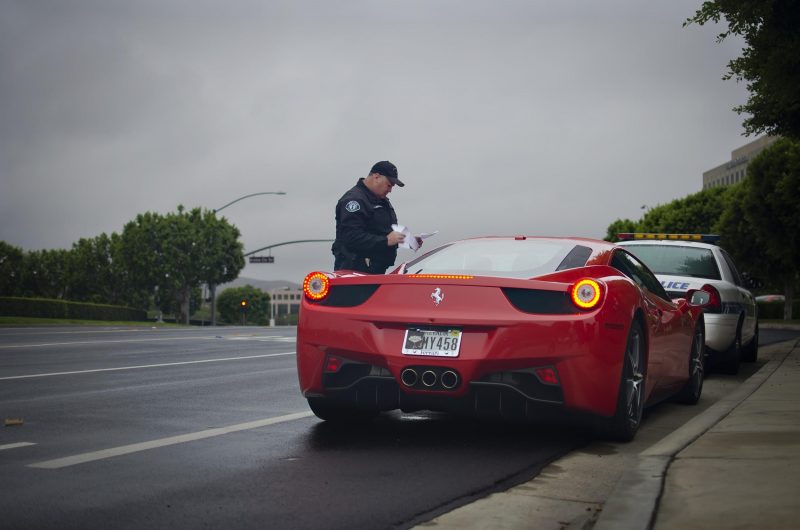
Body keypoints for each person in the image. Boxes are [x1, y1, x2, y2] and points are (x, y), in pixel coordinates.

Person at [332, 160, 417, 273]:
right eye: (389, 185)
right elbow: (351, 237)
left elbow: (382, 232)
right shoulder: (355, 200)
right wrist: (385, 240)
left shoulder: (381, 200)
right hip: (356, 271)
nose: (390, 190)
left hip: (375, 270)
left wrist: (407, 240)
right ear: (376, 177)